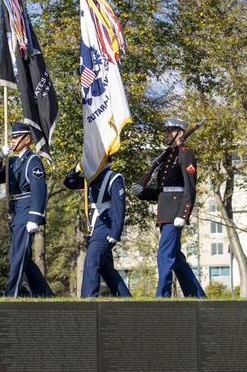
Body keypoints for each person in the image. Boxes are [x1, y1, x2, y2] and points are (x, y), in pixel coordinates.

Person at [131, 117, 205, 298]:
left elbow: (189, 188)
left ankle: (162, 297)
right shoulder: (167, 157)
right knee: (176, 258)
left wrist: (183, 213)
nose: (165, 134)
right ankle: (197, 296)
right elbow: (161, 191)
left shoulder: (185, 155)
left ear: (179, 133)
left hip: (175, 213)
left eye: (169, 131)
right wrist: (142, 192)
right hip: (165, 211)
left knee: (164, 254)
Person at [0, 121, 53, 297]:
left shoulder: (33, 160)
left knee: (17, 257)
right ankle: (44, 294)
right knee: (18, 255)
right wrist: (0, 159)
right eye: (12, 137)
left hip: (27, 210)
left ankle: (12, 294)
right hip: (15, 211)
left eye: (16, 137)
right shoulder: (13, 161)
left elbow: (39, 190)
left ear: (27, 139)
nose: (13, 141)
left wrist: (35, 216)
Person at [63, 160, 131, 298]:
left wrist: (115, 232)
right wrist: (76, 169)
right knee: (107, 270)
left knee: (92, 262)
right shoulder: (91, 177)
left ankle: (88, 300)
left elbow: (119, 208)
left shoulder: (114, 178)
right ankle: (126, 300)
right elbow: (69, 183)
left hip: (106, 225)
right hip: (94, 226)